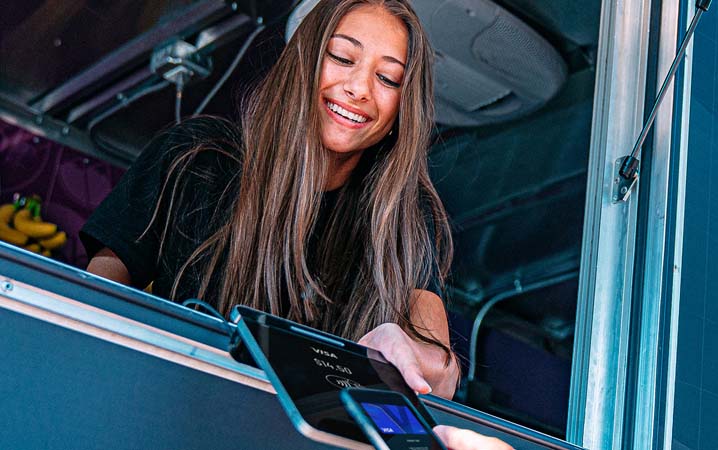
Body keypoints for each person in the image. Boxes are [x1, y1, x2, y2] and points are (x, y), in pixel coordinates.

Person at [81, 0, 459, 399]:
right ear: (303, 61)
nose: (359, 89)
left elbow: (442, 375)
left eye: (387, 78)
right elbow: (97, 299)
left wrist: (397, 344)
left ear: (402, 110)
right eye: (342, 57)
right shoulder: (195, 156)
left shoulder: (404, 216)